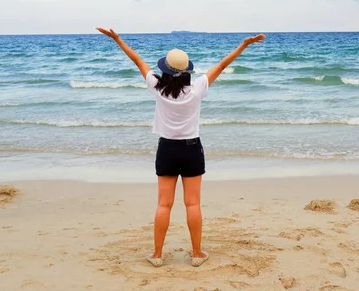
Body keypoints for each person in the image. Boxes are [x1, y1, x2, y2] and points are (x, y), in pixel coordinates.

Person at [95, 28, 266, 267]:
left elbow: (137, 60)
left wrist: (117, 39)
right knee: (193, 203)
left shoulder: (156, 86)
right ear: (187, 72)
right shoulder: (196, 89)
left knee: (164, 204)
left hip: (166, 149)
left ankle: (157, 255)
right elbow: (222, 65)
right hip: (191, 149)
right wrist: (244, 45)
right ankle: (197, 255)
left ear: (164, 70)